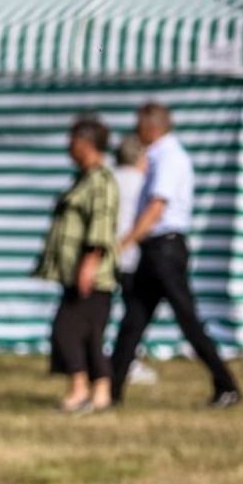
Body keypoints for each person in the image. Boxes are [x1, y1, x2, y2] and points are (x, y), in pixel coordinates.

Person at [109, 102, 240, 408]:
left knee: (187, 320)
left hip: (164, 249)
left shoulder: (168, 157)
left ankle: (226, 385)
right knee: (133, 321)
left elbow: (158, 206)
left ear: (151, 127)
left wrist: (126, 241)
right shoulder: (159, 156)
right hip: (156, 249)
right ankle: (111, 391)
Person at [33, 114, 119, 414]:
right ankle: (100, 393)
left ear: (86, 143)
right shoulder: (83, 178)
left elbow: (101, 224)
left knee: (66, 331)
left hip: (92, 274)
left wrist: (89, 264)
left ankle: (81, 389)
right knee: (90, 335)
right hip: (76, 273)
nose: (68, 146)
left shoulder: (101, 180)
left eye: (72, 140)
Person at [110, 134, 157, 388]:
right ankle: (129, 361)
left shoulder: (109, 178)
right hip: (132, 254)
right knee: (133, 315)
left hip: (107, 254)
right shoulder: (141, 181)